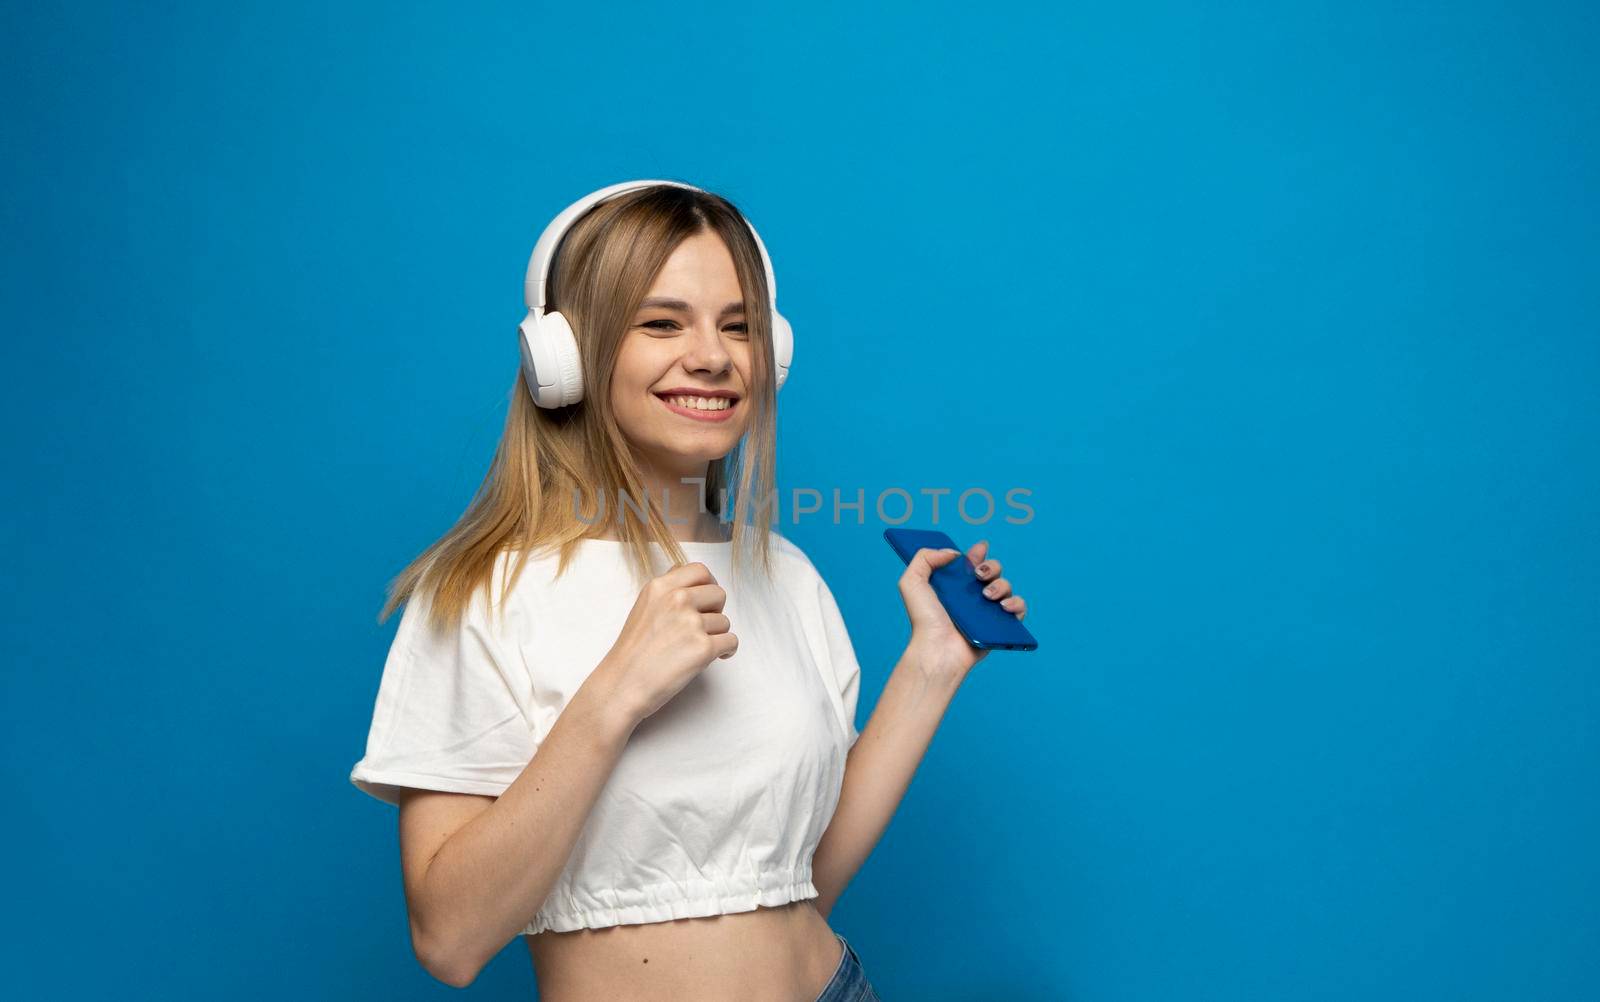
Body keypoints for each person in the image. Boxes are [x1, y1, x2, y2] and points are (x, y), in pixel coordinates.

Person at [348, 180, 1028, 1000]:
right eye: (661, 322)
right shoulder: (483, 594)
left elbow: (795, 882)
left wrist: (932, 665)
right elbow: (450, 940)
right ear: (566, 355)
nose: (712, 355)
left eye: (737, 326)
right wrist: (613, 696)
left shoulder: (787, 577)